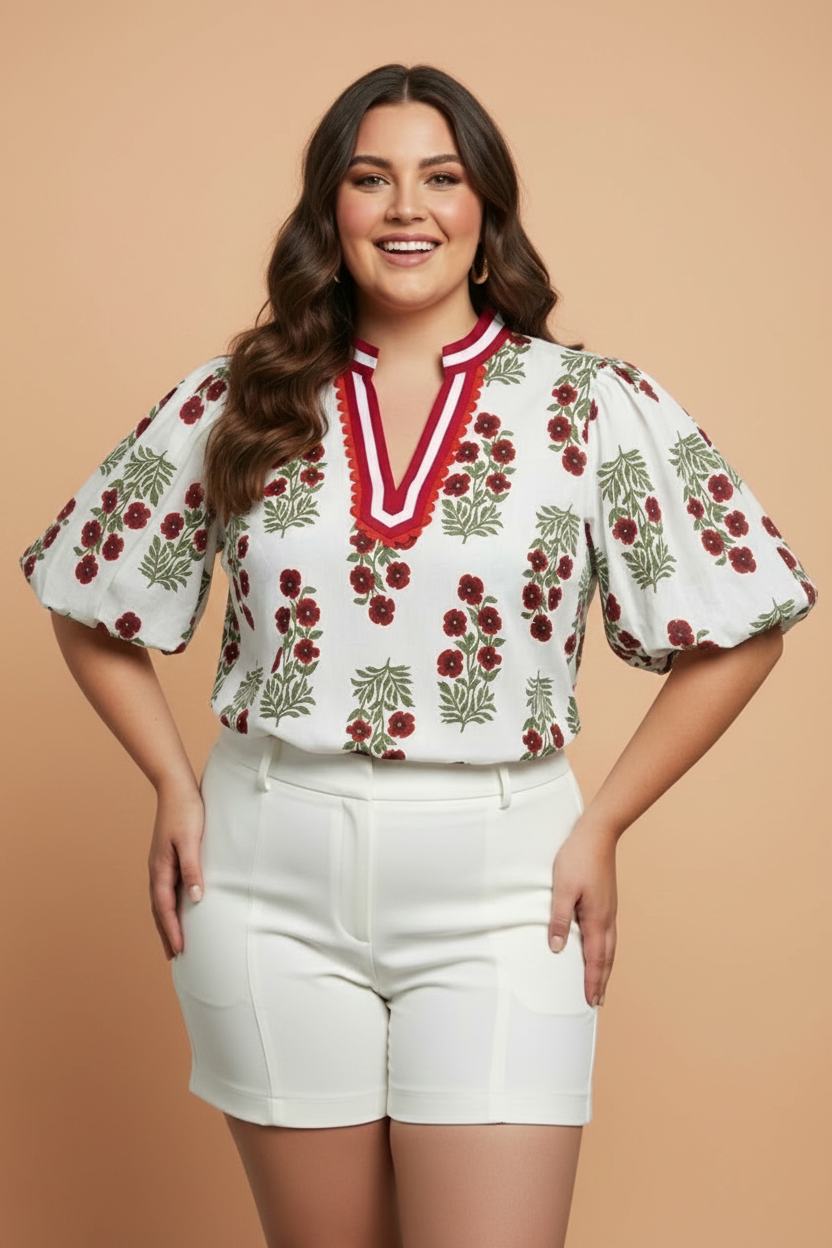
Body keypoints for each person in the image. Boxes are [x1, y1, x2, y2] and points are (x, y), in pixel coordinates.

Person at [19, 62, 817, 1248]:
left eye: (441, 178)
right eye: (369, 178)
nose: (407, 209)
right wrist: (174, 784)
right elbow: (88, 592)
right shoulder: (242, 397)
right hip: (263, 875)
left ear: (486, 211)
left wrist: (601, 824)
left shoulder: (589, 405)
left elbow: (746, 615)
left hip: (505, 886)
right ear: (327, 216)